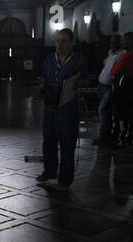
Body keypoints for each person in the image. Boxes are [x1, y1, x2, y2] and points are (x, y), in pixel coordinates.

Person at [37, 28, 89, 191]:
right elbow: (44, 76)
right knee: (49, 141)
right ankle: (49, 171)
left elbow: (86, 79)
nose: (59, 44)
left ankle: (65, 179)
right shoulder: (49, 58)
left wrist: (77, 84)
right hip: (50, 106)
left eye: (63, 41)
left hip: (67, 108)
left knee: (67, 143)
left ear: (71, 43)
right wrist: (42, 84)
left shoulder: (78, 60)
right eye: (57, 41)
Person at [92, 35, 123, 145]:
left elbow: (116, 70)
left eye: (115, 42)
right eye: (111, 42)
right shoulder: (110, 52)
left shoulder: (121, 54)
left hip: (109, 87)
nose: (112, 44)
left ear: (120, 43)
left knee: (102, 109)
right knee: (105, 112)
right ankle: (106, 135)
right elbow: (106, 66)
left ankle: (103, 135)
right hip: (101, 85)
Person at [111, 32, 133, 147]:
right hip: (127, 89)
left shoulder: (129, 55)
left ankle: (122, 138)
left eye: (125, 40)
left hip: (125, 90)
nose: (122, 42)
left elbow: (115, 70)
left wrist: (115, 66)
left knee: (122, 115)